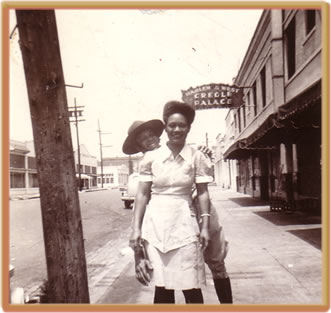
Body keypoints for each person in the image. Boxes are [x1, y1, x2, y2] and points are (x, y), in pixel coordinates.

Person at [122, 118, 233, 304]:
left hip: (199, 211)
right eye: (143, 139)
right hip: (167, 224)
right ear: (139, 146)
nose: (150, 140)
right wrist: (138, 255)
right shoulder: (146, 166)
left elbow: (199, 173)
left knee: (216, 263)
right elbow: (140, 206)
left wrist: (202, 153)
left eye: (151, 135)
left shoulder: (187, 152)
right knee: (166, 276)